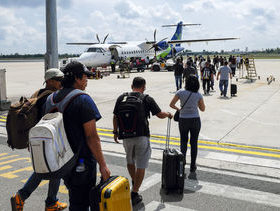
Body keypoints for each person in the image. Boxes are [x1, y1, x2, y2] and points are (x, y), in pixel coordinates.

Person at [48, 61, 111, 211]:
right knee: (82, 204)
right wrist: (103, 165)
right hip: (82, 163)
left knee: (75, 199)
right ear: (77, 78)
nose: (87, 80)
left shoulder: (51, 99)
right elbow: (92, 137)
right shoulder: (83, 99)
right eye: (85, 76)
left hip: (62, 162)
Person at [11, 68, 67, 211]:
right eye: (59, 79)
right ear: (49, 81)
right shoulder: (50, 97)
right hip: (47, 139)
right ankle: (24, 196)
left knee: (49, 168)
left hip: (38, 138)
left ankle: (49, 201)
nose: (62, 81)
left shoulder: (38, 93)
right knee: (51, 168)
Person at [113, 77, 172, 206]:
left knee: (130, 161)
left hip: (126, 137)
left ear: (131, 85)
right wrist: (168, 114)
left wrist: (115, 132)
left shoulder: (121, 98)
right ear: (143, 87)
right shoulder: (146, 98)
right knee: (141, 164)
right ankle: (135, 192)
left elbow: (115, 116)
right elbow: (159, 114)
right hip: (141, 136)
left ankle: (135, 181)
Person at [169, 75, 205, 172]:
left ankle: (182, 162)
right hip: (195, 120)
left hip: (183, 120)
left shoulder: (180, 92)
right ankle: (193, 165)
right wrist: (196, 104)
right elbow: (203, 109)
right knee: (194, 143)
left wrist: (178, 109)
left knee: (183, 141)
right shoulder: (198, 95)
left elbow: (171, 104)